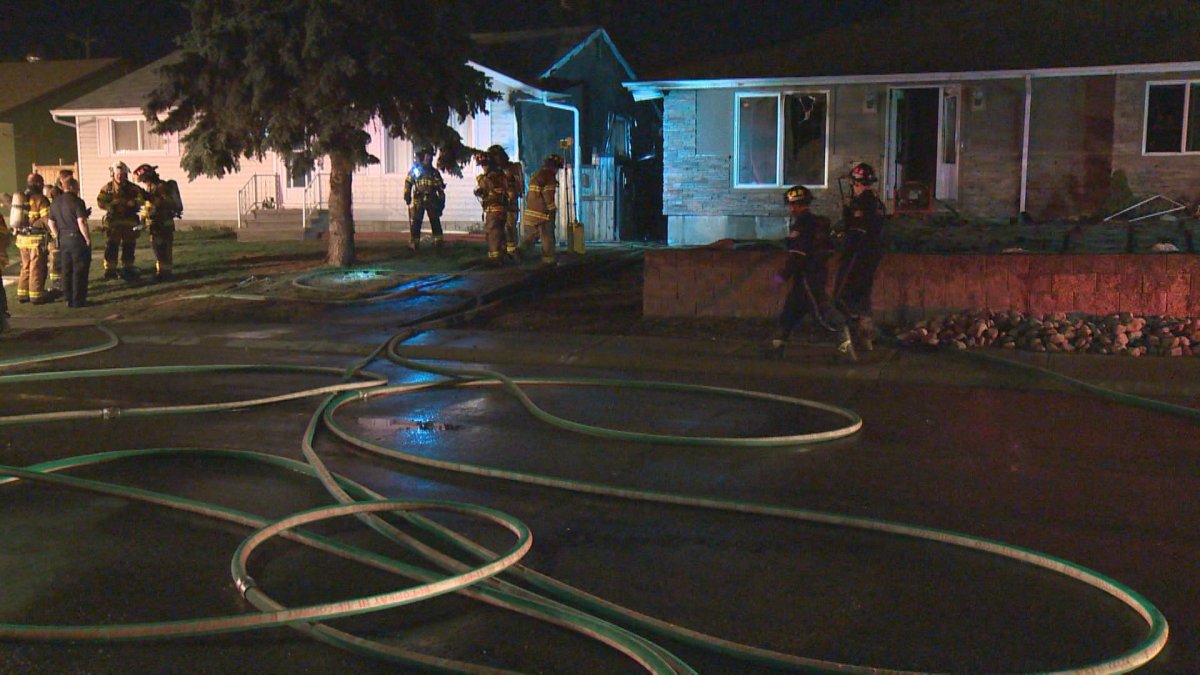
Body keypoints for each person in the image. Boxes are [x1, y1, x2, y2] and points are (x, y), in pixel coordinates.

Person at [768, 185, 854, 360]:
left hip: (808, 277)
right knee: (789, 313)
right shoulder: (818, 223)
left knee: (822, 312)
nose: (792, 209)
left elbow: (797, 256)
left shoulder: (802, 225)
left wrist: (782, 276)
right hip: (811, 275)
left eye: (793, 205)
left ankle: (845, 344)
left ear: (795, 205)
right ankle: (776, 347)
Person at [833, 162, 887, 352]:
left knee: (841, 298)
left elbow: (856, 233)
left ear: (858, 183)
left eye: (854, 184)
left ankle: (851, 340)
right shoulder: (877, 203)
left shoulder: (863, 203)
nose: (853, 187)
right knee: (861, 298)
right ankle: (866, 340)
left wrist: (847, 216)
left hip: (857, 257)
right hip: (870, 258)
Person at [96, 160, 147, 281]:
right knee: (112, 246)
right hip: (114, 223)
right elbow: (100, 201)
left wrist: (134, 203)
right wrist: (110, 206)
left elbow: (142, 198)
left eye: (122, 175)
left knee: (129, 245)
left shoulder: (133, 188)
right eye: (118, 175)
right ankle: (110, 270)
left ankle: (127, 267)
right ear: (113, 175)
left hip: (129, 221)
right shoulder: (107, 188)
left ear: (126, 175)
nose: (120, 177)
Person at [46, 177, 92, 308]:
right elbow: (81, 222)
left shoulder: (55, 202)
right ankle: (78, 300)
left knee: (66, 270)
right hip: (77, 239)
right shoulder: (77, 202)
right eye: (76, 187)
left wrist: (57, 236)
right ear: (71, 187)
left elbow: (51, 222)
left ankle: (68, 298)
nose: (78, 189)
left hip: (63, 240)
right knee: (79, 270)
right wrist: (87, 238)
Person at [133, 164, 181, 281]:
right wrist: (143, 220)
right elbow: (148, 207)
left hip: (163, 224)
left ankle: (165, 274)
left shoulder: (161, 187)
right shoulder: (152, 188)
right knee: (159, 250)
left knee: (162, 250)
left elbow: (162, 203)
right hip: (155, 224)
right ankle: (164, 273)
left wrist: (149, 197)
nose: (144, 183)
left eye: (144, 180)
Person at [14, 174, 53, 304]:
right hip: (35, 240)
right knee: (36, 267)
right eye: (41, 183)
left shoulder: (23, 198)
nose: (43, 185)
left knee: (25, 266)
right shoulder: (40, 199)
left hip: (22, 240)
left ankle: (22, 294)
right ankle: (36, 296)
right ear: (37, 183)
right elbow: (47, 219)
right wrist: (54, 233)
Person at [520, 153, 564, 266]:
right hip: (542, 214)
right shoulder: (549, 177)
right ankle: (548, 261)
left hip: (530, 213)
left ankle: (518, 255)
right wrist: (552, 211)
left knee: (529, 238)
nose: (557, 171)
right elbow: (548, 197)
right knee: (547, 237)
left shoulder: (536, 175)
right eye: (557, 168)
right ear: (554, 167)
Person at [402, 147, 446, 252]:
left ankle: (438, 244)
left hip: (432, 200)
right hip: (419, 200)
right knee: (416, 223)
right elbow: (408, 182)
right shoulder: (416, 170)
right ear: (423, 156)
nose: (428, 157)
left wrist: (441, 203)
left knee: (435, 222)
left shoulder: (435, 173)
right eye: (427, 155)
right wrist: (407, 194)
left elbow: (440, 189)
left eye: (430, 155)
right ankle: (414, 245)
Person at [473, 151, 510, 264]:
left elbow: (484, 191)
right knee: (500, 232)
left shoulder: (487, 178)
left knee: (492, 233)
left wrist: (479, 192)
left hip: (493, 210)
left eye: (484, 165)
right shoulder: (501, 175)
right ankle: (502, 256)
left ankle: (495, 259)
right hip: (501, 209)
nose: (483, 168)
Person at [488, 145, 524, 260]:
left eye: (497, 156)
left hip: (510, 204)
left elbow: (518, 186)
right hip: (498, 204)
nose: (496, 159)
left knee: (509, 226)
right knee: (497, 228)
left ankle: (512, 252)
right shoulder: (493, 172)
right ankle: (499, 252)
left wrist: (512, 194)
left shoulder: (513, 168)